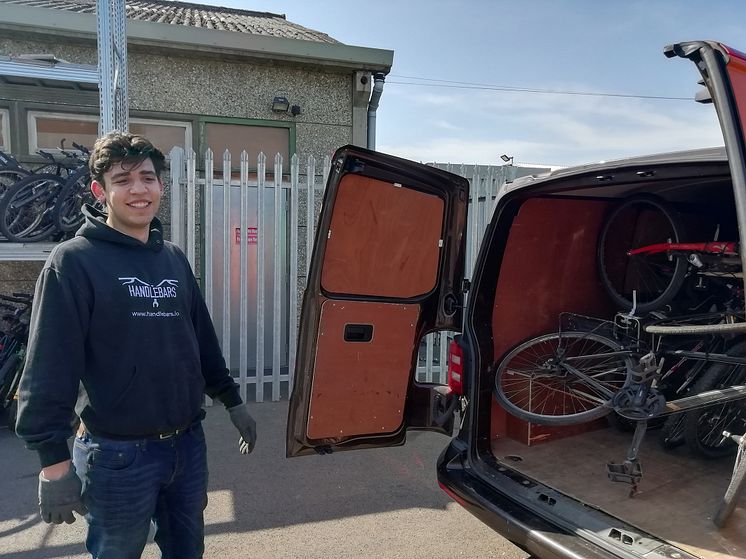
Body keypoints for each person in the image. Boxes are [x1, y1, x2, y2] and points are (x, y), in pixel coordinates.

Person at [15, 131, 257, 559]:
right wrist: (53, 463)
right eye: (123, 180)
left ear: (160, 186)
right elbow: (49, 366)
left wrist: (231, 398)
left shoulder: (173, 259)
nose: (138, 189)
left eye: (147, 177)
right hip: (116, 457)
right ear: (100, 191)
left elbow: (199, 338)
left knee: (187, 552)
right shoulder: (73, 262)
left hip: (186, 446)